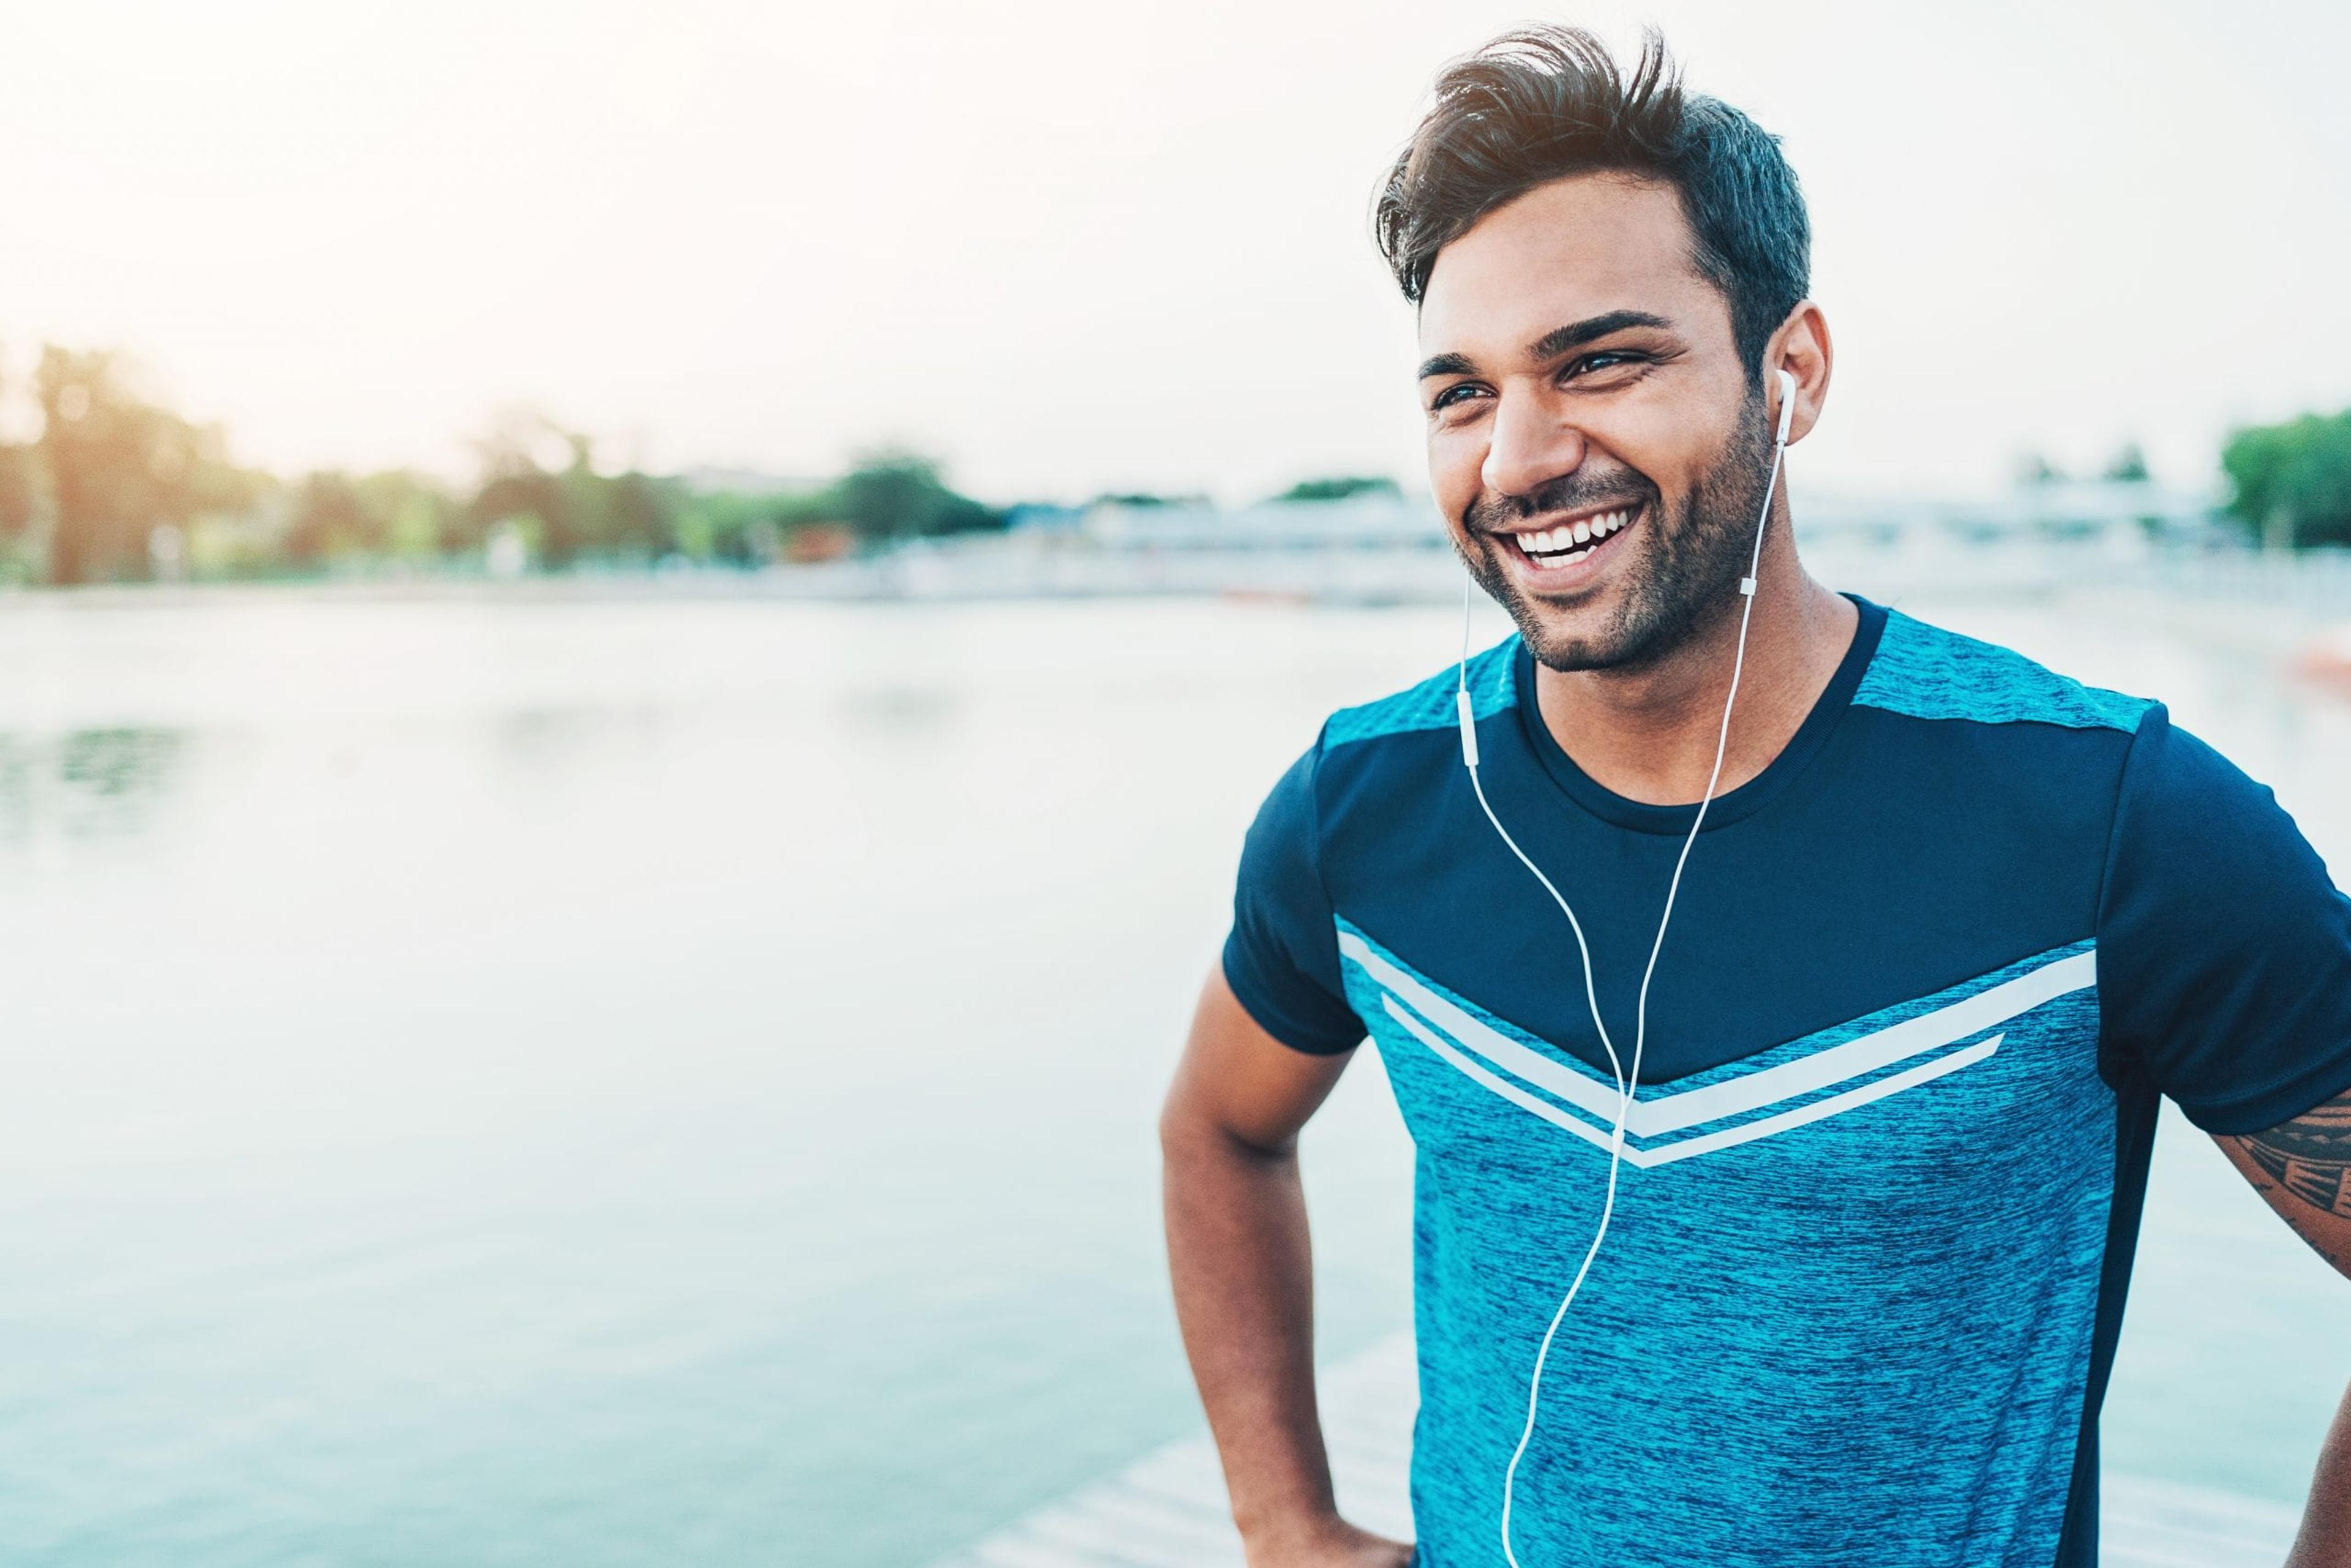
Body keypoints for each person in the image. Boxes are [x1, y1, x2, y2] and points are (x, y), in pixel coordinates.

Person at [1158, 24, 2351, 1568]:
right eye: (1462, 393)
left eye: (1602, 360)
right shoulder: (1365, 805)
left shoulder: (2108, 814)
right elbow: (1219, 1133)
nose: (1519, 459)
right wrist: (1280, 1522)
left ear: (1791, 371)